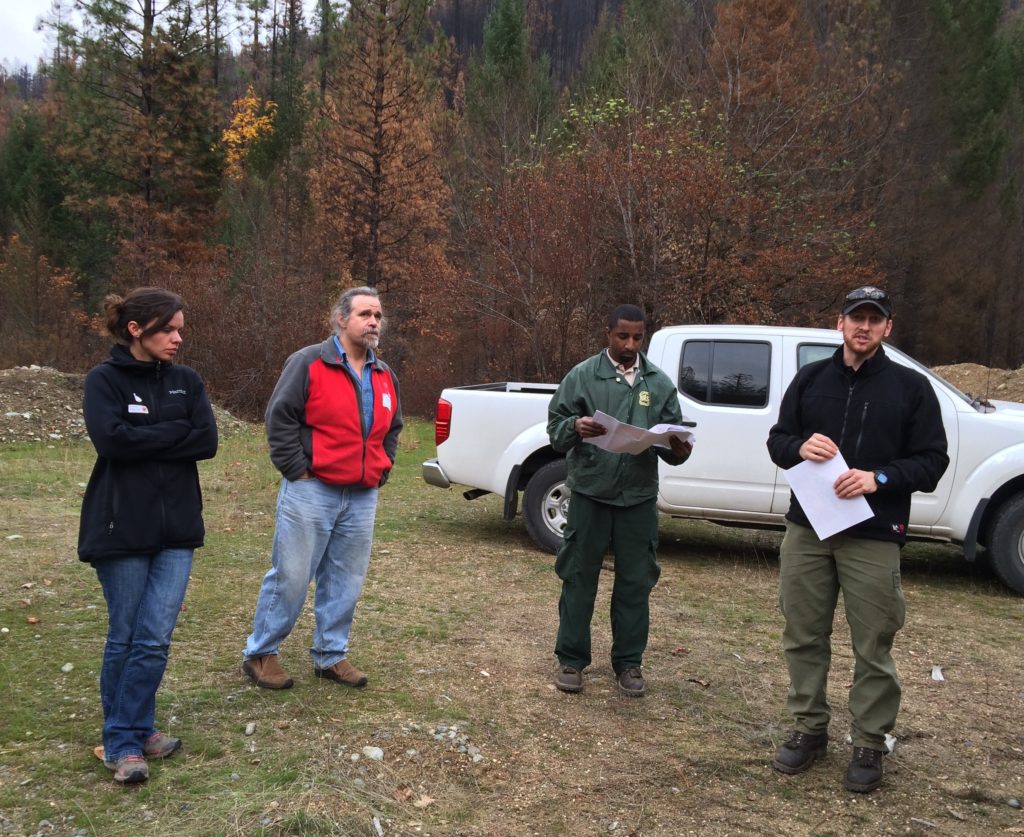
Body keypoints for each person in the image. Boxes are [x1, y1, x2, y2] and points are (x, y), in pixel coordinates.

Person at [766, 285, 949, 793]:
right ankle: (809, 730)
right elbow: (778, 442)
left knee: (873, 643)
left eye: (874, 319)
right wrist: (799, 445)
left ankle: (869, 741)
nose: (863, 327)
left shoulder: (911, 389)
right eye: (856, 317)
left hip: (874, 534)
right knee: (803, 633)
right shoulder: (811, 379)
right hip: (808, 529)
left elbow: (933, 461)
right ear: (839, 323)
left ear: (888, 328)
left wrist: (880, 479)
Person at [78, 288, 218, 785]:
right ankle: (124, 740)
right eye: (168, 329)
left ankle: (134, 730)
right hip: (121, 527)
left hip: (177, 530)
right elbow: (111, 440)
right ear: (136, 329)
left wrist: (148, 437)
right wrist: (172, 433)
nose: (178, 338)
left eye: (180, 329)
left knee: (154, 637)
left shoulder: (187, 381)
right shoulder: (104, 381)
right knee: (127, 635)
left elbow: (207, 440)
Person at [242, 286, 403, 691]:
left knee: (346, 578)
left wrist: (382, 469)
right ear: (340, 319)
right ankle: (262, 652)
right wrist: (297, 469)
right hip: (312, 489)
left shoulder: (384, 373)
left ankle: (330, 655)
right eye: (365, 314)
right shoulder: (309, 362)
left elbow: (393, 428)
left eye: (378, 316)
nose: (373, 322)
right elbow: (279, 418)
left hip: (362, 494)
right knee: (293, 575)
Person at [547, 304, 692, 697]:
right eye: (622, 336)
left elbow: (673, 447)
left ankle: (629, 663)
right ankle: (572, 661)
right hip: (591, 493)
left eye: (637, 337)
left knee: (636, 582)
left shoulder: (658, 384)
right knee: (579, 577)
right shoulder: (582, 376)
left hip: (638, 499)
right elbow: (555, 430)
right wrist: (574, 427)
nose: (629, 344)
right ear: (607, 333)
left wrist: (678, 448)